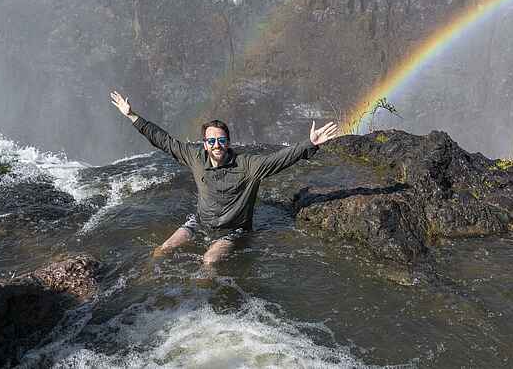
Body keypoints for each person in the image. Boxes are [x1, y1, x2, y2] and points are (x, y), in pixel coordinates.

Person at [110, 90, 340, 266]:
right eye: (211, 141)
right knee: (164, 248)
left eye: (221, 140)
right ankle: (146, 278)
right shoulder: (195, 157)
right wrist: (132, 116)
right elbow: (164, 141)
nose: (216, 145)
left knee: (209, 261)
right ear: (205, 144)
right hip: (199, 222)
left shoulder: (248, 165)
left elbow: (279, 159)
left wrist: (310, 144)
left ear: (228, 142)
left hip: (232, 231)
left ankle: (199, 306)